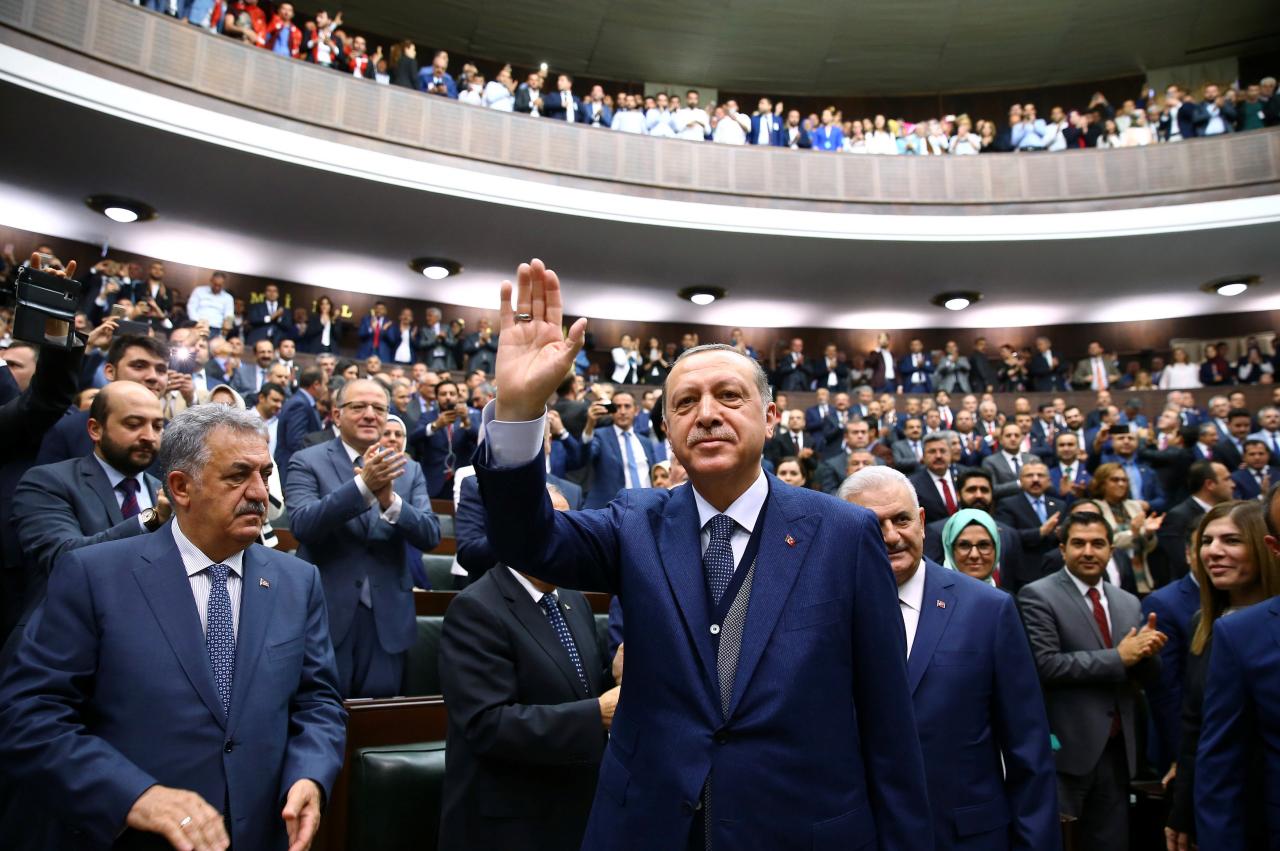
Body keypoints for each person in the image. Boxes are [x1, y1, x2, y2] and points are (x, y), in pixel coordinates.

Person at [473, 259, 929, 849]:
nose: (707, 413)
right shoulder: (634, 521)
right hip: (651, 826)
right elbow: (525, 540)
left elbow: (888, 721)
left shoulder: (844, 534)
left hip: (802, 829)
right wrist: (517, 411)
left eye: (728, 396)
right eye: (685, 403)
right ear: (668, 431)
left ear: (770, 418)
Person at [0, 405, 347, 849]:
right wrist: (134, 795)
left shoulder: (298, 580)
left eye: (266, 473)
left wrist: (310, 776)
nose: (260, 493)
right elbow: (30, 714)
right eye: (238, 475)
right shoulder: (94, 574)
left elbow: (318, 702)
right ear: (181, 487)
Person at [841, 468, 1058, 850]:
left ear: (922, 522)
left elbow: (1029, 752)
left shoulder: (988, 610)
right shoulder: (822, 612)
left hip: (965, 838)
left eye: (902, 520)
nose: (891, 537)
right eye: (873, 524)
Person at [439, 484, 618, 850]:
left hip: (573, 810)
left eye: (572, 522)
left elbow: (574, 687)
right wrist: (596, 714)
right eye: (555, 521)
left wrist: (612, 676)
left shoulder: (571, 599)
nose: (567, 534)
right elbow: (487, 725)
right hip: (509, 825)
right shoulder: (476, 609)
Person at [1018, 511, 1165, 851]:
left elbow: (1139, 674)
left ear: (1111, 549)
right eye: (1078, 543)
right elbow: (1045, 665)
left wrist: (1148, 653)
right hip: (1066, 750)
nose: (1088, 552)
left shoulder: (1128, 601)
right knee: (1060, 842)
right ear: (1062, 548)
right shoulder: (1037, 595)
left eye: (1098, 544)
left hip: (1117, 751)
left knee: (1111, 843)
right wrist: (1120, 657)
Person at [287, 379, 441, 697]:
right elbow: (302, 524)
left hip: (388, 620)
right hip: (326, 617)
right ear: (336, 414)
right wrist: (362, 488)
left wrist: (390, 501)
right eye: (358, 406)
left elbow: (431, 535)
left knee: (379, 723)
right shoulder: (307, 460)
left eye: (379, 408)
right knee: (320, 713)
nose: (370, 414)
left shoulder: (408, 470)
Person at [1166, 499, 1276, 851]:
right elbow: (1196, 729)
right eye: (1206, 542)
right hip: (1223, 815)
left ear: (1266, 546)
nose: (1213, 552)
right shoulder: (1204, 624)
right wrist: (1183, 809)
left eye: (1231, 540)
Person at [35, 333, 168, 466]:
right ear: (110, 372)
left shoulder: (178, 435)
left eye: (161, 370)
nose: (153, 376)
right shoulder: (67, 430)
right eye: (139, 366)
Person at [1140, 526, 1203, 778]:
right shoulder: (1164, 603)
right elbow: (1167, 691)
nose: (1216, 552)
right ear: (1188, 553)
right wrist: (1182, 755)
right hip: (1185, 746)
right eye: (1205, 543)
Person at [1156, 460, 1233, 583]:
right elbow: (1180, 563)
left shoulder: (1225, 513)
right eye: (1227, 479)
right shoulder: (1178, 516)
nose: (1233, 484)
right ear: (1210, 484)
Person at [580, 390, 657, 508]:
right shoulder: (600, 436)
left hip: (646, 507)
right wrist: (590, 424)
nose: (622, 411)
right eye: (617, 407)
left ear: (636, 411)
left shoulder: (645, 442)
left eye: (627, 406)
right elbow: (585, 455)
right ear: (611, 412)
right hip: (612, 509)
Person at [408, 379, 479, 499]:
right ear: (436, 397)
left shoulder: (470, 416)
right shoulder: (427, 417)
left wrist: (466, 422)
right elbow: (413, 439)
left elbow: (480, 441)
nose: (448, 397)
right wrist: (435, 425)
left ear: (458, 396)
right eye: (443, 394)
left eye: (452, 394)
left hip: (461, 480)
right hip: (434, 479)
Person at [274, 367, 327, 485]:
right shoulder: (299, 404)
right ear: (316, 384)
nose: (326, 389)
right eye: (325, 384)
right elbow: (296, 441)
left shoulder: (303, 401)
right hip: (293, 471)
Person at [981, 423, 1039, 500]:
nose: (1013, 439)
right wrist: (1019, 484)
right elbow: (991, 489)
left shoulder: (1033, 459)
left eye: (1016, 435)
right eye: (1008, 436)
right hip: (1004, 507)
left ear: (1022, 439)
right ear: (1001, 439)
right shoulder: (990, 461)